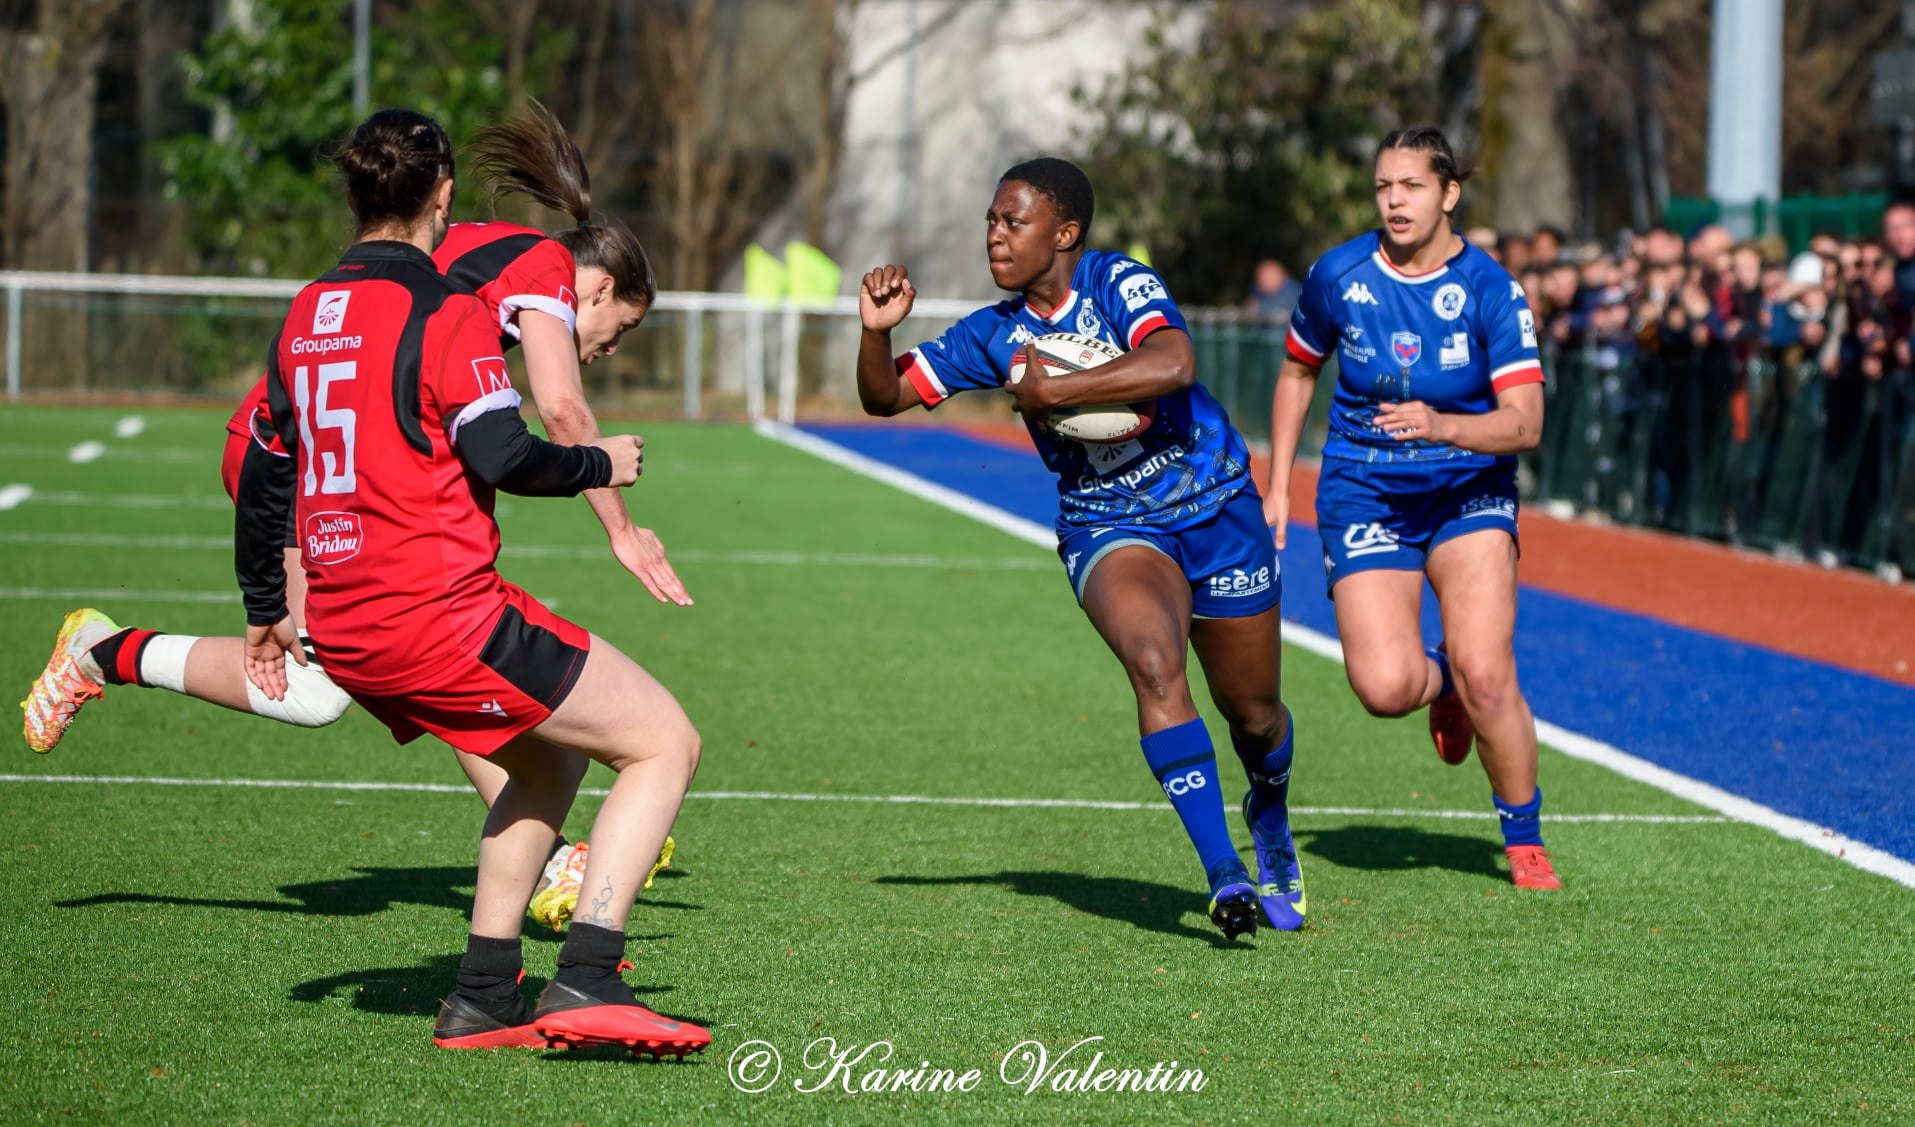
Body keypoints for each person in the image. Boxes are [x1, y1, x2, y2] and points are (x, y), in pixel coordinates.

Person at [18, 102, 680, 928]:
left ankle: (105, 651)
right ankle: (101, 650)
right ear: (601, 286)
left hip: (306, 449)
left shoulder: (462, 249)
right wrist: (623, 529)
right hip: (295, 456)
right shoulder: (545, 265)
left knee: (399, 654)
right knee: (335, 676)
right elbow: (566, 413)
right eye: (619, 330)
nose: (608, 349)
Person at [234, 108, 707, 1053]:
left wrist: (261, 609)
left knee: (548, 759)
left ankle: (485, 995)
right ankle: (587, 978)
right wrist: (600, 465)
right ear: (442, 197)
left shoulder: (304, 311)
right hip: (439, 614)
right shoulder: (445, 312)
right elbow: (504, 454)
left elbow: (265, 468)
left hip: (344, 620)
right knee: (664, 741)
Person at [854, 158, 1300, 938]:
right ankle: (1224, 871)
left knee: (1255, 714)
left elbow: (1174, 363)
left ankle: (1268, 804)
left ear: (1063, 233)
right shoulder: (992, 333)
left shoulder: (1118, 282)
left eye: (1011, 221)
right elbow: (885, 394)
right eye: (990, 220)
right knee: (1154, 663)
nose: (994, 234)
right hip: (1109, 524)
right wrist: (874, 331)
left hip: (1219, 507)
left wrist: (1057, 389)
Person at [1265, 126, 1560, 892]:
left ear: (1448, 194)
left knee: (1489, 671)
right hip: (1363, 488)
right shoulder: (1339, 273)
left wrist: (1443, 425)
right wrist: (1278, 485)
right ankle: (1445, 686)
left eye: (1412, 186)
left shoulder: (1494, 290)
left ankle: (1522, 835)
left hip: (1468, 489)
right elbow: (1298, 372)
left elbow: (1524, 423)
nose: (1394, 201)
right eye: (1383, 187)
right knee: (1386, 688)